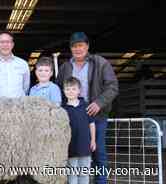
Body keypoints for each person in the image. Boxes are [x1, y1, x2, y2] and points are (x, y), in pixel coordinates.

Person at [56, 32, 118, 184]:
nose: (78, 49)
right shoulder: (65, 67)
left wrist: (99, 103)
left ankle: (101, 182)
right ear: (71, 48)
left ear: (87, 46)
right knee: (72, 153)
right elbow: (58, 90)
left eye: (81, 45)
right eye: (74, 46)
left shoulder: (100, 63)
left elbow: (112, 86)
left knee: (98, 153)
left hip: (96, 116)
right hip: (73, 118)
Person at [62, 77, 96, 184]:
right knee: (72, 175)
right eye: (67, 89)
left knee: (84, 174)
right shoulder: (62, 109)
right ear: (64, 91)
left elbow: (92, 124)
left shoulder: (86, 106)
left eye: (73, 89)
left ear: (79, 90)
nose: (70, 91)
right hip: (70, 147)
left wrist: (93, 140)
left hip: (85, 146)